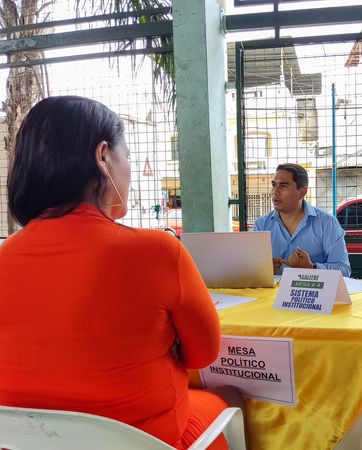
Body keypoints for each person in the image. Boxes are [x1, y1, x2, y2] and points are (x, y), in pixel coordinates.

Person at [0, 96, 233, 450]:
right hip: (146, 440)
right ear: (103, 156)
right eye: (128, 156)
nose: (131, 169)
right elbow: (203, 355)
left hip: (25, 443)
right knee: (227, 398)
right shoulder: (157, 251)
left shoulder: (4, 257)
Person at [253, 163, 351, 277]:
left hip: (312, 288)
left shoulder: (326, 222)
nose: (275, 191)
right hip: (272, 289)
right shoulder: (261, 225)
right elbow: (249, 269)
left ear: (302, 192)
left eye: (283, 186)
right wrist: (263, 269)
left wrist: (312, 267)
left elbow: (344, 271)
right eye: (274, 185)